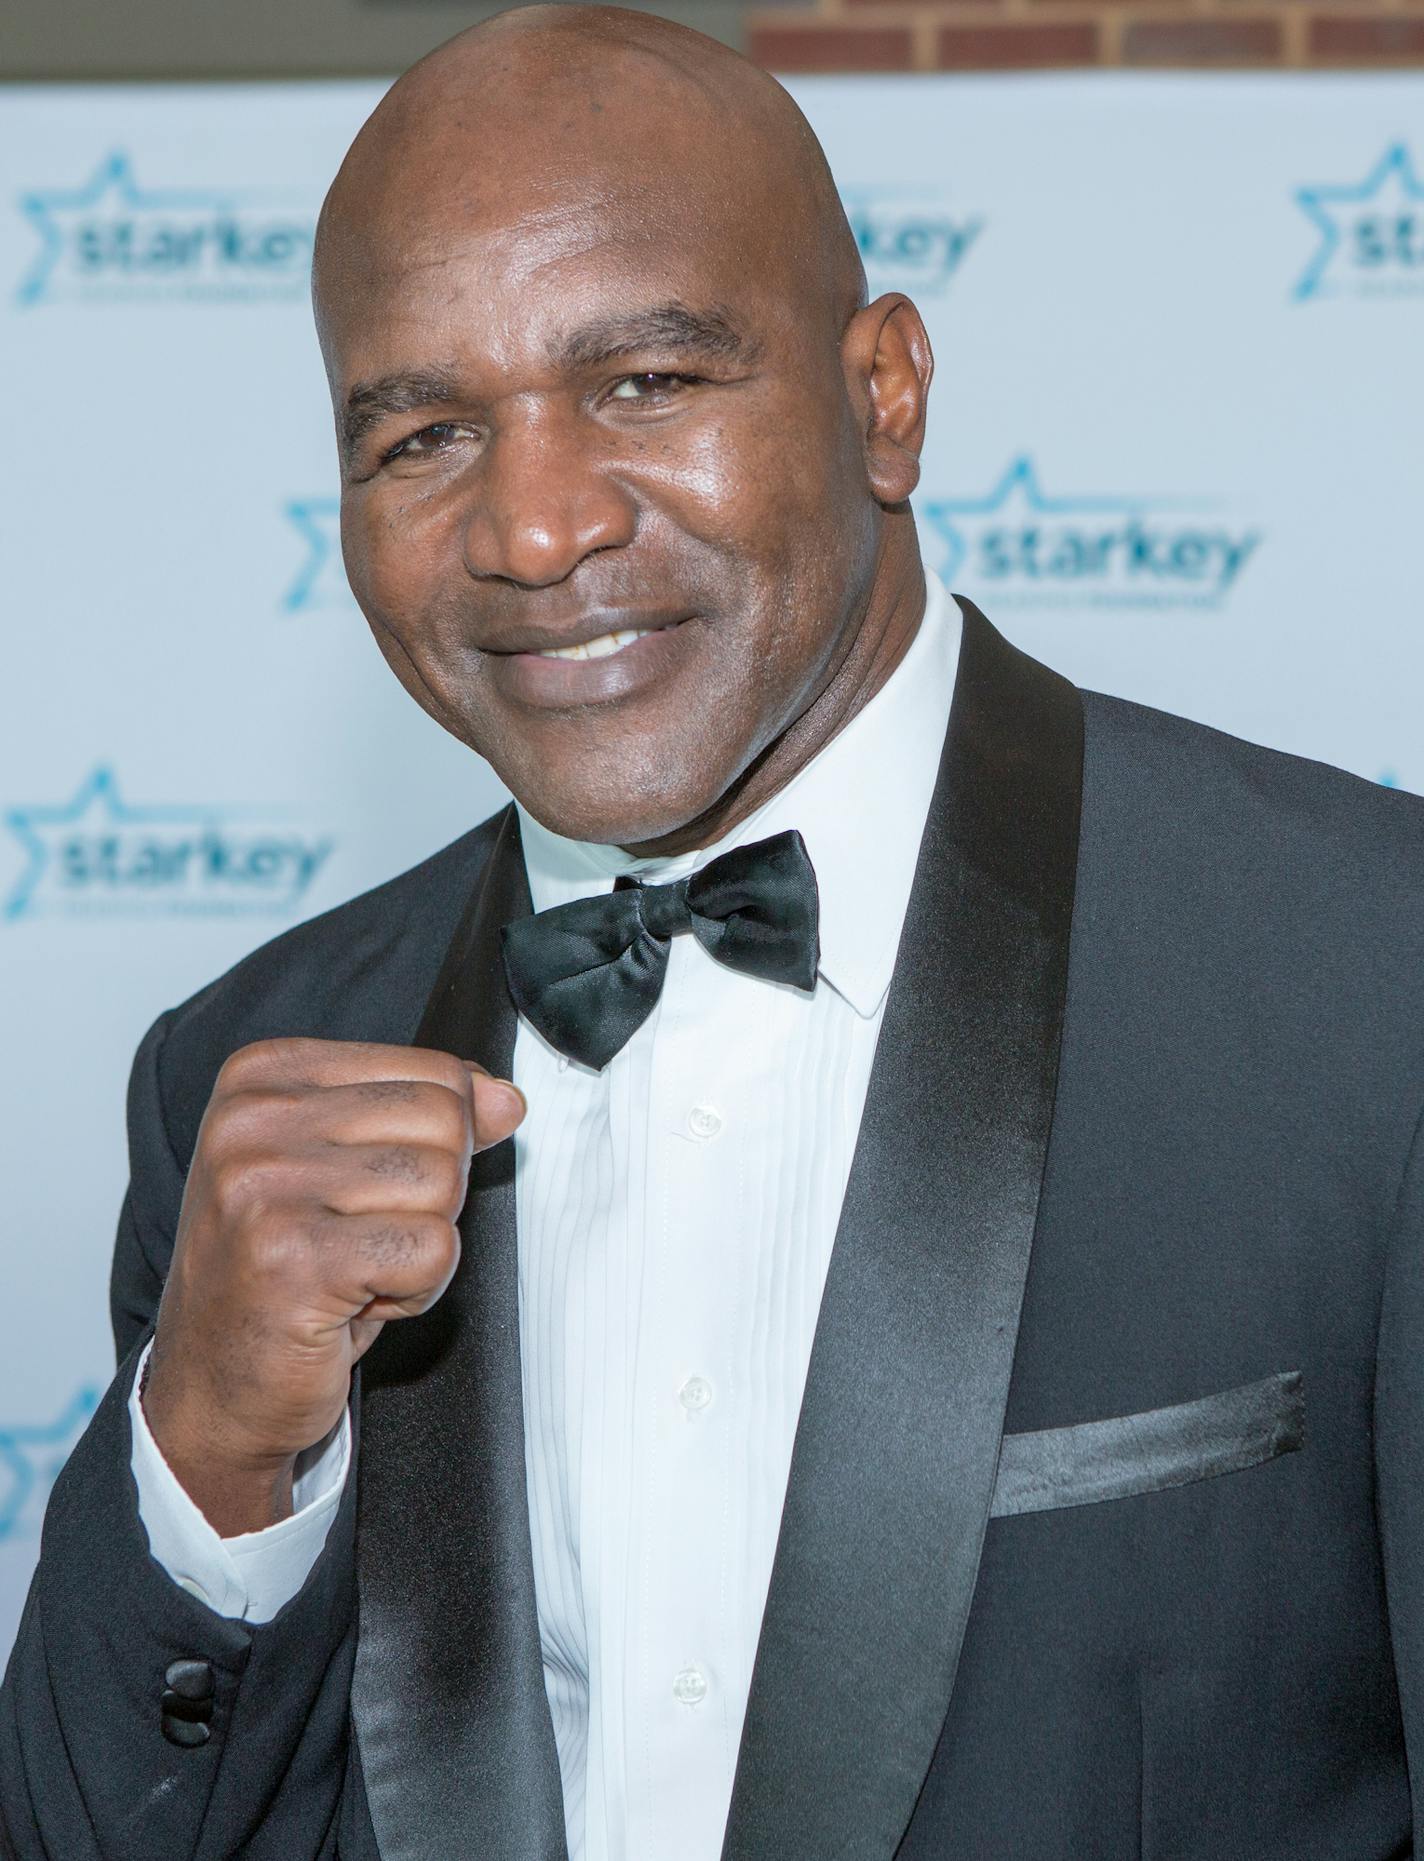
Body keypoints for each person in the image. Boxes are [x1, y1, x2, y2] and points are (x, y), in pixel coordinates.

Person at [5, 6, 1424, 1856]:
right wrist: (201, 1466)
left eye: (646, 386)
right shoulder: (245, 1071)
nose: (532, 526)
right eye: (426, 433)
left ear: (886, 393)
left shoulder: (1368, 977)